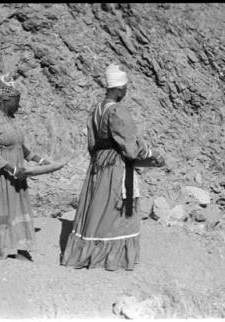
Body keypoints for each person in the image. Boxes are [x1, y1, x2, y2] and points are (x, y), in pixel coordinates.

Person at [61, 63, 165, 271]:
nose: (125, 91)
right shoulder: (117, 111)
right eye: (124, 88)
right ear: (119, 89)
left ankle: (87, 251)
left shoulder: (96, 111)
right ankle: (109, 256)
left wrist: (100, 158)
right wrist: (151, 154)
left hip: (99, 164)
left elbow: (92, 144)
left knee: (97, 207)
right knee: (114, 211)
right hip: (116, 166)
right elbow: (130, 146)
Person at [0, 72, 51, 261]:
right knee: (4, 207)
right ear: (5, 99)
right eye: (17, 100)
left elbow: (19, 146)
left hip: (16, 172)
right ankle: (5, 246)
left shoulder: (11, 120)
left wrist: (40, 160)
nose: (19, 104)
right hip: (0, 174)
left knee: (16, 207)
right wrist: (11, 169)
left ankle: (17, 244)